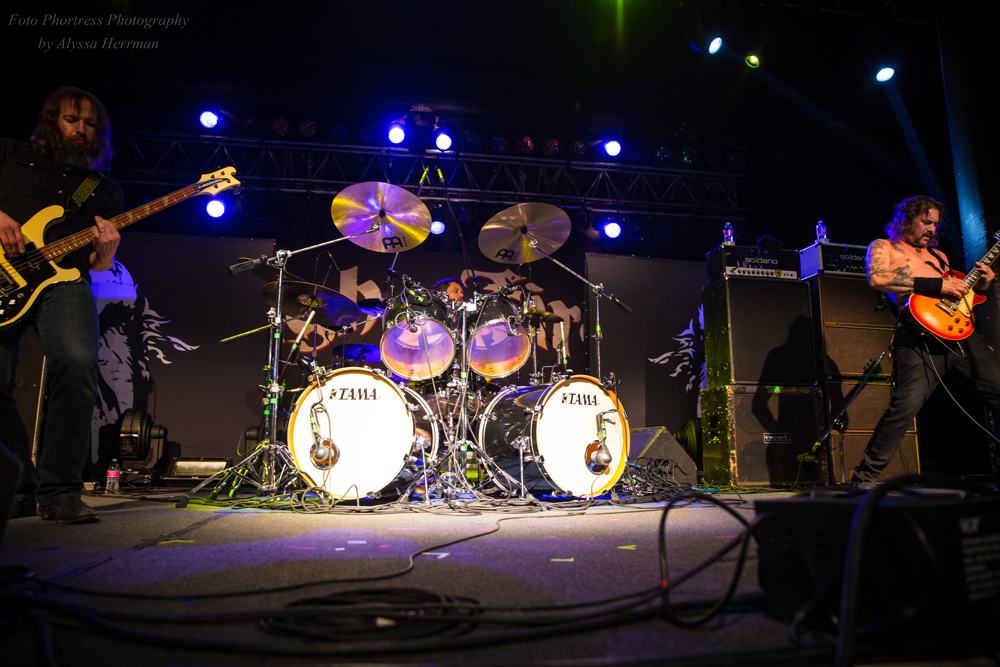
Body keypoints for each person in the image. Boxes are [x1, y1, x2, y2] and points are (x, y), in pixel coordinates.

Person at [0, 87, 123, 523]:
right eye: (73, 120)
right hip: (2, 274)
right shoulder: (10, 154)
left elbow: (92, 260)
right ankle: (18, 485)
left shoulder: (104, 190)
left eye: (91, 125)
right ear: (52, 119)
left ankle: (60, 490)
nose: (81, 130)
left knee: (76, 363)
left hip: (64, 281)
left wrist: (104, 258)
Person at [852, 195, 1000, 488]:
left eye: (935, 224)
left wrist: (982, 284)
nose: (932, 229)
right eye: (926, 221)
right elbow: (877, 279)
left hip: (960, 336)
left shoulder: (939, 257)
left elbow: (957, 294)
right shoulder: (883, 246)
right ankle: (864, 479)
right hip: (917, 338)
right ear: (906, 219)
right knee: (905, 408)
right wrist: (936, 284)